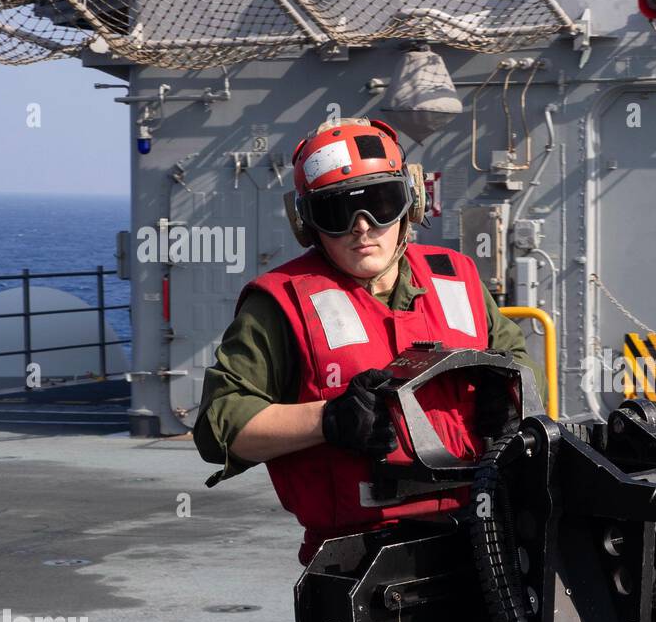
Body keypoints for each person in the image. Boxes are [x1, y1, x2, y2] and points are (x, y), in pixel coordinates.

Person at [194, 117, 539, 565]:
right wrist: (331, 420)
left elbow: (517, 359)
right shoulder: (281, 304)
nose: (362, 226)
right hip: (361, 557)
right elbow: (220, 428)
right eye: (338, 212)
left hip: (484, 536)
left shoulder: (459, 277)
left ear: (409, 203)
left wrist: (512, 397)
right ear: (307, 222)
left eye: (379, 202)